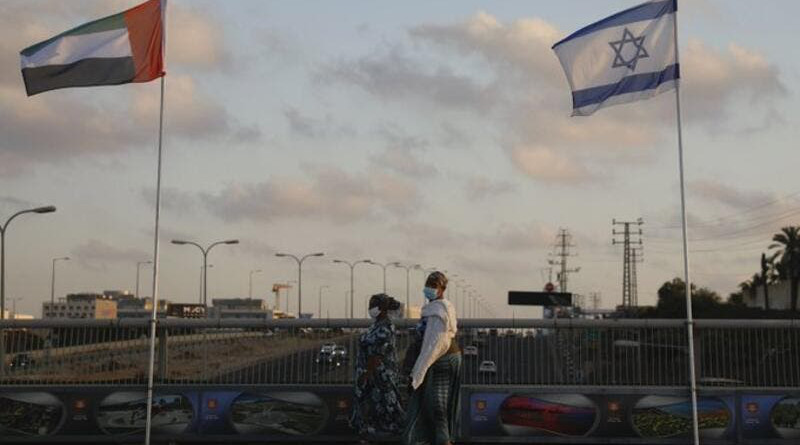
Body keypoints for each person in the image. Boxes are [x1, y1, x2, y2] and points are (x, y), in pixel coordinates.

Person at [402, 271, 461, 445]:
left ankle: (444, 440)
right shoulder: (437, 308)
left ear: (442, 289)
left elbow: (435, 344)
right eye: (428, 285)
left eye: (433, 286)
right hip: (443, 358)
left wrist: (418, 372)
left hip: (442, 359)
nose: (429, 288)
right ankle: (440, 439)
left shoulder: (438, 311)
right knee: (433, 405)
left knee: (438, 405)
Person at [350, 293, 406, 440]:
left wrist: (366, 375)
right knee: (369, 412)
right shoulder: (375, 325)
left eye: (372, 306)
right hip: (370, 374)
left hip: (380, 376)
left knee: (386, 410)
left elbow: (377, 355)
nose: (370, 309)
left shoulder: (386, 327)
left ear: (381, 308)